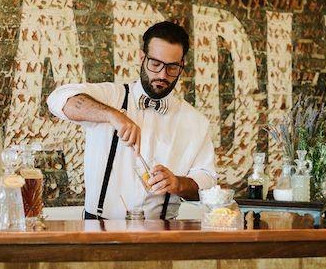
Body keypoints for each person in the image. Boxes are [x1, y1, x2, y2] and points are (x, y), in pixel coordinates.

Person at [47, 21, 217, 219]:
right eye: (155, 64)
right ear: (141, 58)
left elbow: (208, 183)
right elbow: (58, 99)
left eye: (172, 68)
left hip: (162, 233)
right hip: (99, 230)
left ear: (182, 66)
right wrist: (112, 115)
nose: (162, 74)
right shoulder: (110, 97)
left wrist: (178, 184)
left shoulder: (195, 122)